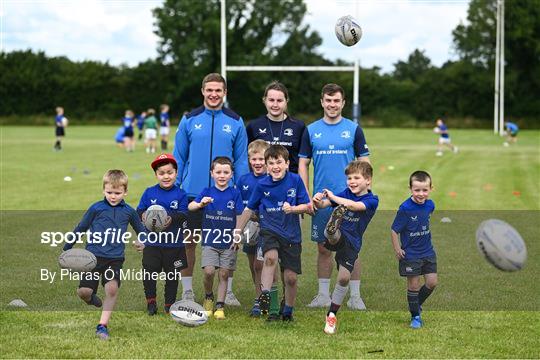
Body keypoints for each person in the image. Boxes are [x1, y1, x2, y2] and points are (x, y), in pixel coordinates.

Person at [173, 73, 249, 302]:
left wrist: (241, 194)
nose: (214, 94)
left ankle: (229, 291)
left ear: (225, 93)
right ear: (203, 91)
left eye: (218, 90)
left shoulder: (235, 121)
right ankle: (187, 291)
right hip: (193, 195)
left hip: (225, 197)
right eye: (210, 90)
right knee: (188, 244)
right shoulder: (189, 119)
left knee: (228, 244)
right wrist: (177, 189)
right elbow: (179, 157)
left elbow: (242, 160)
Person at [298, 83, 370, 310]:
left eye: (336, 101)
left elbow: (365, 162)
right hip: (322, 199)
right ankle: (322, 295)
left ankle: (355, 296)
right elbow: (303, 163)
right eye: (328, 101)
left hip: (349, 199)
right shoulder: (310, 130)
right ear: (322, 102)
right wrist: (307, 196)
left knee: (352, 246)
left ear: (343, 103)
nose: (332, 105)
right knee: (323, 246)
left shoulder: (353, 129)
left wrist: (364, 194)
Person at [62, 170, 146, 340]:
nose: (113, 196)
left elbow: (141, 230)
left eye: (117, 193)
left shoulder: (129, 211)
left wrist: (141, 241)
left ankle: (102, 326)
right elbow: (81, 228)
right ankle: (90, 298)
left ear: (125, 192)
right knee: (84, 292)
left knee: (112, 288)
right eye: (109, 192)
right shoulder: (96, 208)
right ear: (103, 190)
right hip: (92, 258)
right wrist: (67, 246)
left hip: (114, 258)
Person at [237, 145, 311, 321]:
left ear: (287, 163)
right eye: (271, 163)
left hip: (292, 234)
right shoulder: (262, 184)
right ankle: (265, 296)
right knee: (269, 259)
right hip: (269, 230)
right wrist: (237, 230)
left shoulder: (295, 180)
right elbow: (249, 209)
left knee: (291, 278)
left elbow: (307, 206)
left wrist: (292, 209)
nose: (275, 166)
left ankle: (288, 310)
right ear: (267, 166)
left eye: (279, 162)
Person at [312, 160, 379, 335]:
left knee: (343, 278)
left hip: (353, 244)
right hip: (340, 236)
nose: (352, 181)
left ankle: (332, 314)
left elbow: (354, 206)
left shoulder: (372, 200)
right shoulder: (345, 193)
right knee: (333, 235)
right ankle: (331, 229)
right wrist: (318, 200)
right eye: (349, 178)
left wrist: (334, 198)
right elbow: (323, 205)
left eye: (357, 177)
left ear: (368, 180)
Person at [188, 157, 244, 320]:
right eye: (218, 172)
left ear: (231, 174)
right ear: (212, 173)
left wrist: (238, 235)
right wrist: (200, 205)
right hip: (210, 241)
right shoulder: (207, 192)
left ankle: (220, 305)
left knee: (225, 273)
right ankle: (208, 297)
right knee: (209, 271)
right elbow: (191, 206)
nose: (222, 175)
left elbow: (240, 215)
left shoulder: (235, 193)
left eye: (226, 172)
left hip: (229, 241)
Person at [137, 153, 189, 315]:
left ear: (176, 173)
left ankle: (169, 304)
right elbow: (139, 210)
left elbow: (184, 213)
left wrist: (170, 217)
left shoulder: (181, 194)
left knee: (172, 276)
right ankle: (151, 302)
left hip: (174, 244)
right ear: (156, 175)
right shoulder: (149, 192)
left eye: (170, 172)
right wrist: (143, 215)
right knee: (149, 272)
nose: (166, 176)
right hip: (152, 243)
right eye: (161, 173)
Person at [390, 170, 438, 329]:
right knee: (414, 286)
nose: (421, 194)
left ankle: (416, 304)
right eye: (417, 190)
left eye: (425, 190)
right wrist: (397, 248)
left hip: (428, 252)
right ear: (410, 189)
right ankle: (415, 316)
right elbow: (394, 230)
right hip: (411, 254)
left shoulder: (430, 205)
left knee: (432, 283)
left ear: (431, 188)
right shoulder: (405, 208)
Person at [235, 139, 270, 316]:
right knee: (252, 264)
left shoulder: (271, 179)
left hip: (266, 228)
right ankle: (259, 295)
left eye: (261, 159)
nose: (257, 163)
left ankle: (263, 300)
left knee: (260, 264)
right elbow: (238, 205)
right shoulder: (243, 180)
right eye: (254, 159)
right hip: (248, 228)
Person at [246, 81, 306, 174]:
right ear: (264, 100)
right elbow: (247, 159)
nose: (275, 105)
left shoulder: (298, 126)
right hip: (262, 185)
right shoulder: (253, 126)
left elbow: (303, 162)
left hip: (290, 184)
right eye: (271, 100)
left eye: (279, 100)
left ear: (286, 101)